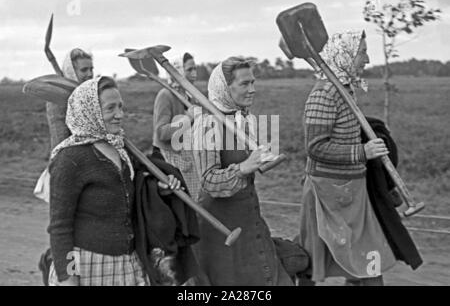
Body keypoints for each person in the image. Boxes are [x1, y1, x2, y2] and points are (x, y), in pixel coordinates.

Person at [47, 76, 182, 286]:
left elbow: (134, 192)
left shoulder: (121, 149)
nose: (119, 115)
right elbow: (60, 227)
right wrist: (69, 277)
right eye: (110, 108)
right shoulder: (69, 159)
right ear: (90, 111)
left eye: (121, 107)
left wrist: (161, 188)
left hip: (127, 263)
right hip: (88, 266)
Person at [298, 30, 397, 286]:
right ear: (347, 55)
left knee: (364, 263)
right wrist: (362, 152)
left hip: (351, 191)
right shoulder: (324, 95)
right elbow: (315, 147)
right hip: (326, 193)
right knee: (311, 264)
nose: (366, 59)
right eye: (362, 52)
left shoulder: (344, 90)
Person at [191, 57, 293, 286]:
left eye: (253, 83)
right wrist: (244, 167)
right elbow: (209, 181)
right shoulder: (207, 123)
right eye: (244, 84)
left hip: (249, 218)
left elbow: (254, 161)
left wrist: (263, 158)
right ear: (225, 88)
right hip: (219, 227)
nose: (252, 90)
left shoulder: (242, 118)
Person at [38, 48, 94, 285]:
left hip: (91, 171)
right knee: (67, 232)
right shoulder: (57, 100)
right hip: (68, 173)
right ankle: (53, 264)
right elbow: (61, 143)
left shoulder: (91, 96)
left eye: (92, 69)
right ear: (72, 71)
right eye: (84, 70)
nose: (90, 74)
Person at [152, 52, 201, 201]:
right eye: (189, 70)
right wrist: (188, 118)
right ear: (178, 72)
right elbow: (161, 132)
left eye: (195, 69)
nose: (195, 74)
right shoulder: (165, 95)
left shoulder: (190, 96)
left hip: (186, 156)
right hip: (169, 159)